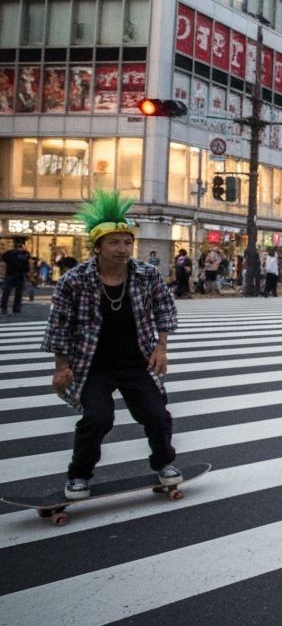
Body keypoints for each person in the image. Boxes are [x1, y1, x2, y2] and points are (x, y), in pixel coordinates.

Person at [41, 190, 181, 500]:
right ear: (97, 246)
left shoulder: (147, 275)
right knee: (97, 419)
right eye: (114, 243)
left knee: (156, 415)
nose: (123, 249)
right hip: (93, 365)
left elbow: (165, 310)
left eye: (127, 242)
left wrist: (161, 347)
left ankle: (164, 464)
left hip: (137, 360)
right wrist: (61, 368)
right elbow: (59, 325)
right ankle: (79, 475)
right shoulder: (75, 280)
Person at [2, 237, 32, 314]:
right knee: (17, 293)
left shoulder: (9, 253)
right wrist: (27, 272)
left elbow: (4, 259)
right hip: (19, 275)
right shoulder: (25, 254)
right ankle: (16, 308)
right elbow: (27, 265)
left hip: (10, 274)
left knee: (7, 292)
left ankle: (4, 308)